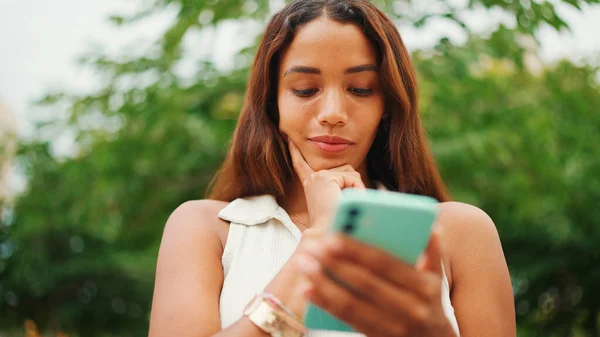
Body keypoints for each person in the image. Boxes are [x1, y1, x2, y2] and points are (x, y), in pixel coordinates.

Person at [148, 1, 516, 336]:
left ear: (387, 104)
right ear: (271, 103)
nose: (333, 114)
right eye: (306, 90)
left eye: (360, 89)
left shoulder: (459, 232)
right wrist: (320, 244)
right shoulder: (207, 229)